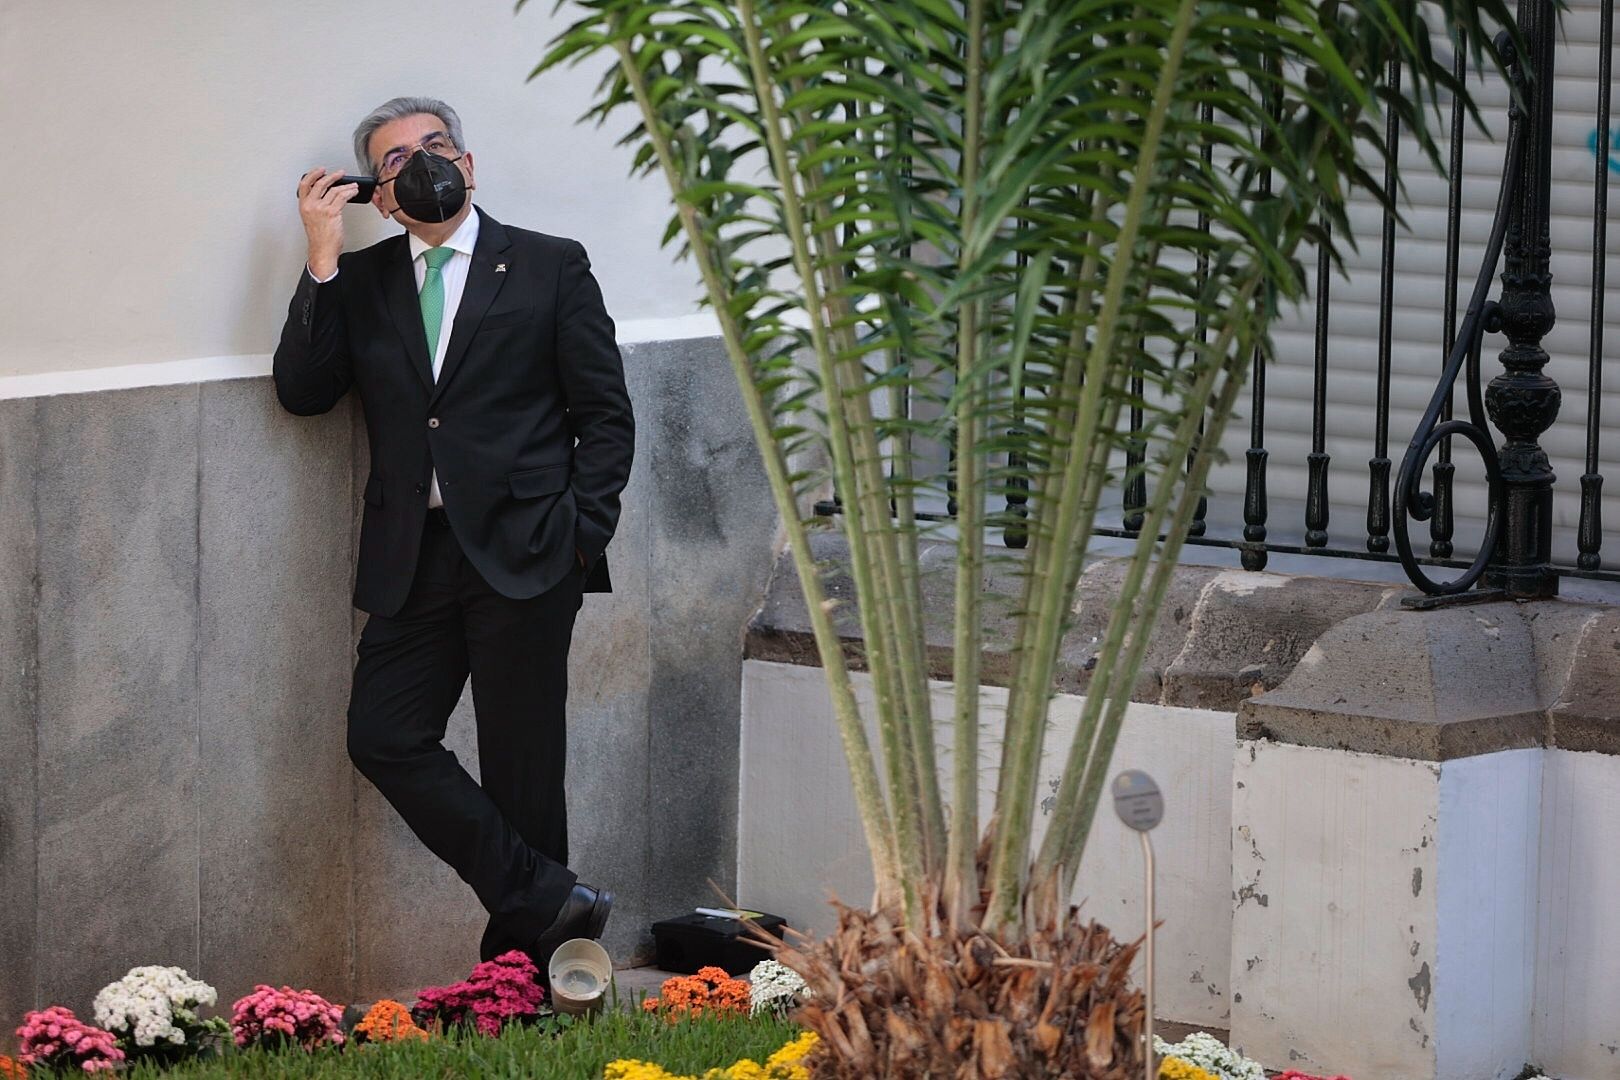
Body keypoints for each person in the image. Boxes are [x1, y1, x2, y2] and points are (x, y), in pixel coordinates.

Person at [273, 96, 633, 977]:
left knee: (523, 772)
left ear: (468, 166)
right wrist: (322, 258)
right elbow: (303, 391)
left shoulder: (549, 265)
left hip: (531, 550)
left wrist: (581, 536)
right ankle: (553, 901)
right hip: (414, 558)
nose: (422, 162)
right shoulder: (361, 283)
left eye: (436, 146)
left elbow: (605, 413)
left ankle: (530, 985)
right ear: (380, 194)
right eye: (396, 159)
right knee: (383, 735)